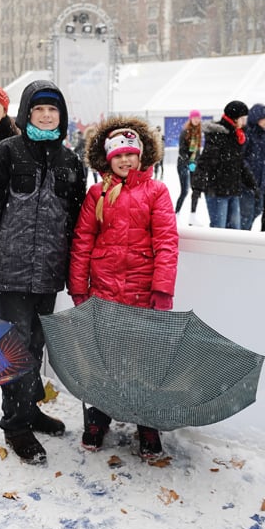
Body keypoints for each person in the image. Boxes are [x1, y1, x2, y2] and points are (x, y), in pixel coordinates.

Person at [0, 80, 86, 465]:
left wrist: (75, 272)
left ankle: (30, 409)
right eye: (39, 109)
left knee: (36, 346)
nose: (46, 115)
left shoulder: (71, 161)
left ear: (62, 116)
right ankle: (15, 425)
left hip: (50, 271)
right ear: (27, 113)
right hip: (14, 269)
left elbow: (76, 222)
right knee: (15, 347)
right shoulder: (8, 152)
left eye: (53, 110)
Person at [68, 117, 178, 460]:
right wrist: (78, 287)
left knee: (143, 360)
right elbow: (83, 240)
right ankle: (98, 416)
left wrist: (162, 288)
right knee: (103, 358)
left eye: (131, 154)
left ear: (142, 157)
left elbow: (166, 241)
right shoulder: (97, 194)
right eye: (119, 156)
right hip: (103, 292)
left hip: (143, 293)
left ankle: (146, 423)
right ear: (108, 160)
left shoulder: (156, 192)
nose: (126, 161)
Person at [191, 100, 257, 229]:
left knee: (235, 229)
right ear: (234, 118)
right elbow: (204, 163)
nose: (244, 122)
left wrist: (252, 184)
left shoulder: (236, 136)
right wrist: (197, 188)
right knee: (219, 229)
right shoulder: (218, 135)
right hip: (217, 192)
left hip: (233, 190)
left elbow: (239, 164)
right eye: (242, 118)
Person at [240, 103, 265, 231]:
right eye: (264, 119)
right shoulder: (248, 134)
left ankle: (245, 234)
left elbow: (264, 161)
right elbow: (242, 159)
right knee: (246, 215)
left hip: (260, 183)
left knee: (258, 210)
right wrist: (249, 177)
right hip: (247, 183)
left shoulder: (264, 136)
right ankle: (243, 239)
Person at [174, 109, 203, 224]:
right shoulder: (185, 132)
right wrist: (188, 163)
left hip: (193, 164)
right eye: (195, 118)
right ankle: (176, 214)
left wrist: (196, 163)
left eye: (198, 118)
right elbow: (182, 151)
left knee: (196, 190)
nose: (196, 120)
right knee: (184, 191)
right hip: (183, 164)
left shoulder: (198, 133)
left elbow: (197, 151)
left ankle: (193, 215)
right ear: (191, 119)